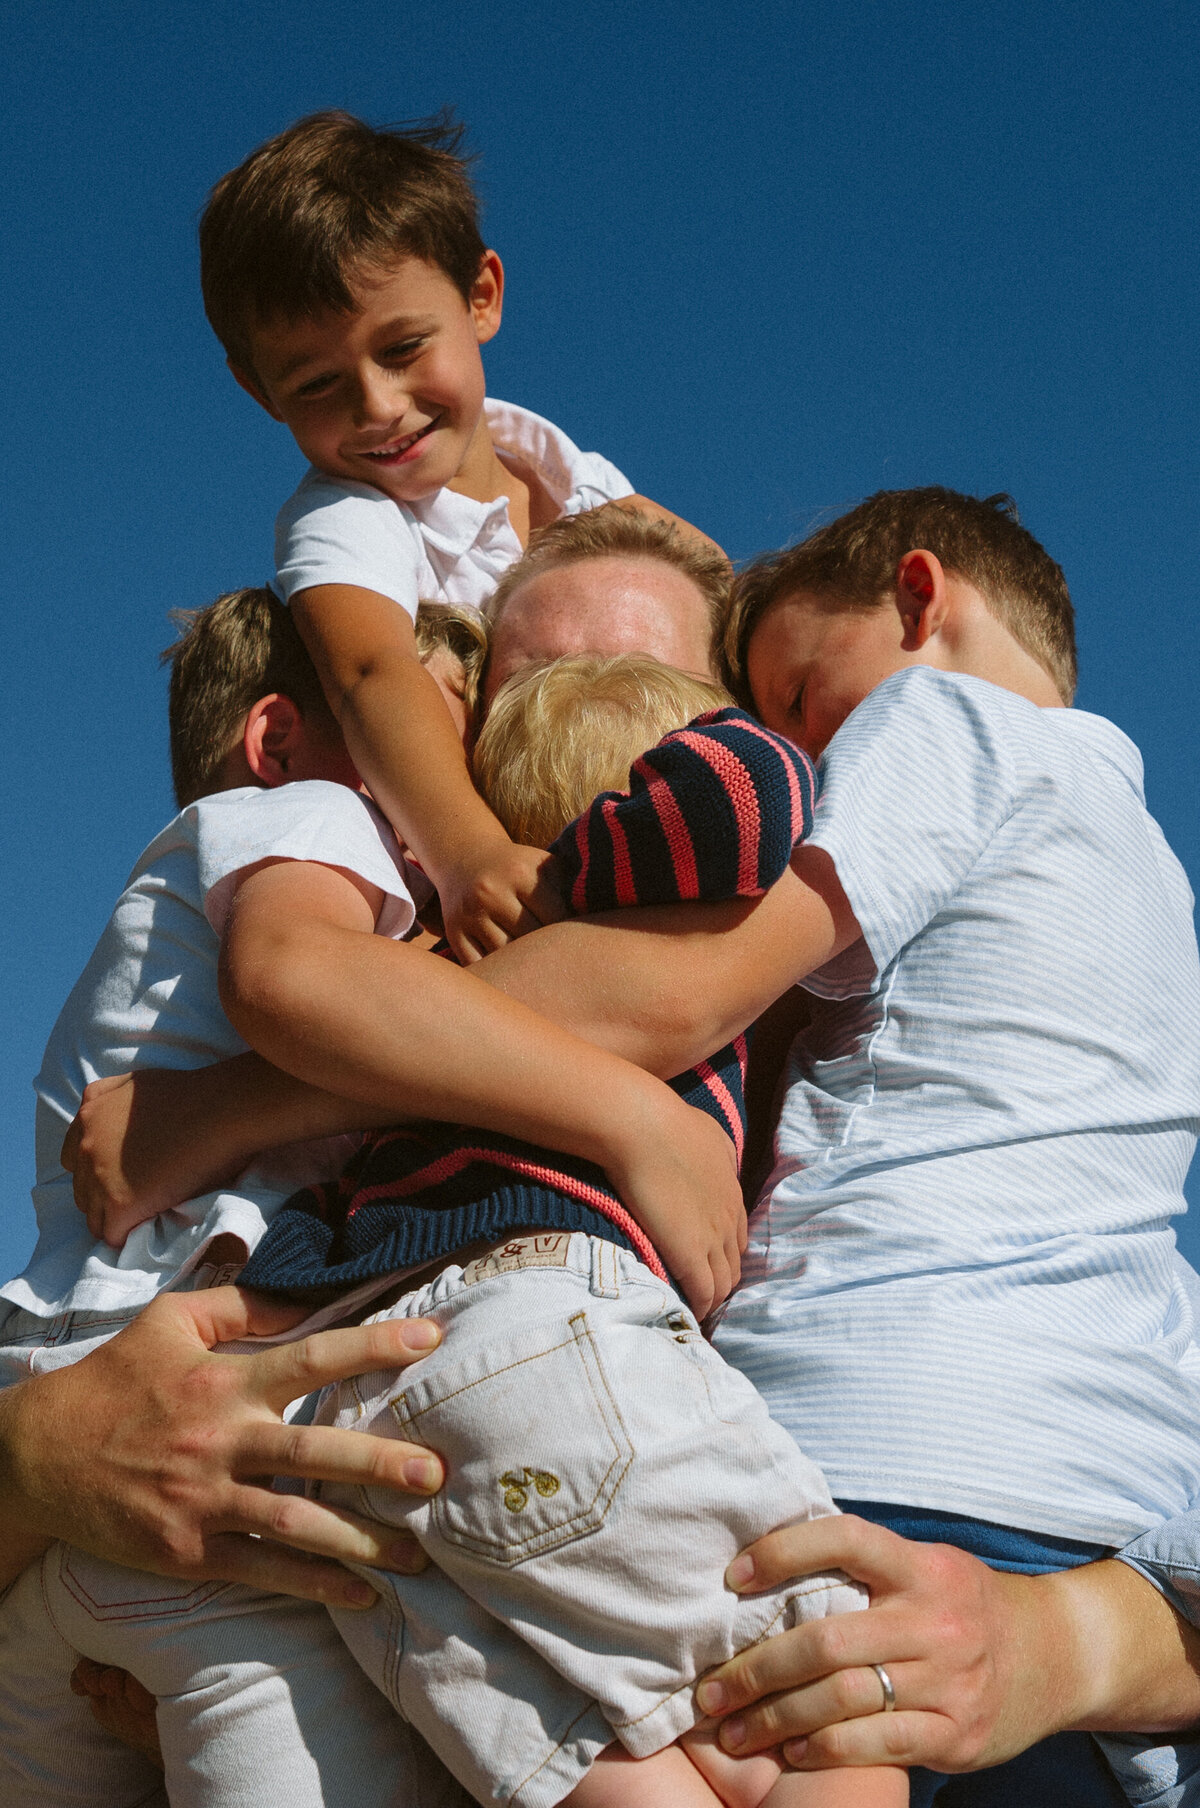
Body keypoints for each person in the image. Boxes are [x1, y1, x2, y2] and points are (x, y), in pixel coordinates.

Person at [10, 497, 1200, 1795]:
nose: (574, 759)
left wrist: (1063, 1642)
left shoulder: (906, 1033)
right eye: (522, 699)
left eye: (661, 706)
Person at [0, 593, 743, 1808]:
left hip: (71, 1466)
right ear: (279, 737)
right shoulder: (306, 817)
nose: (453, 795)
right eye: (427, 745)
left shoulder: (179, 896)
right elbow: (302, 980)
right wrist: (632, 1108)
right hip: (225, 1482)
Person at [200, 109, 718, 963]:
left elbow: (713, 591)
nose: (376, 405)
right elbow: (369, 671)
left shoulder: (578, 483)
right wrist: (465, 852)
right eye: (318, 384)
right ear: (260, 391)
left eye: (403, 347)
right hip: (493, 885)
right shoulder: (348, 514)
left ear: (482, 297)